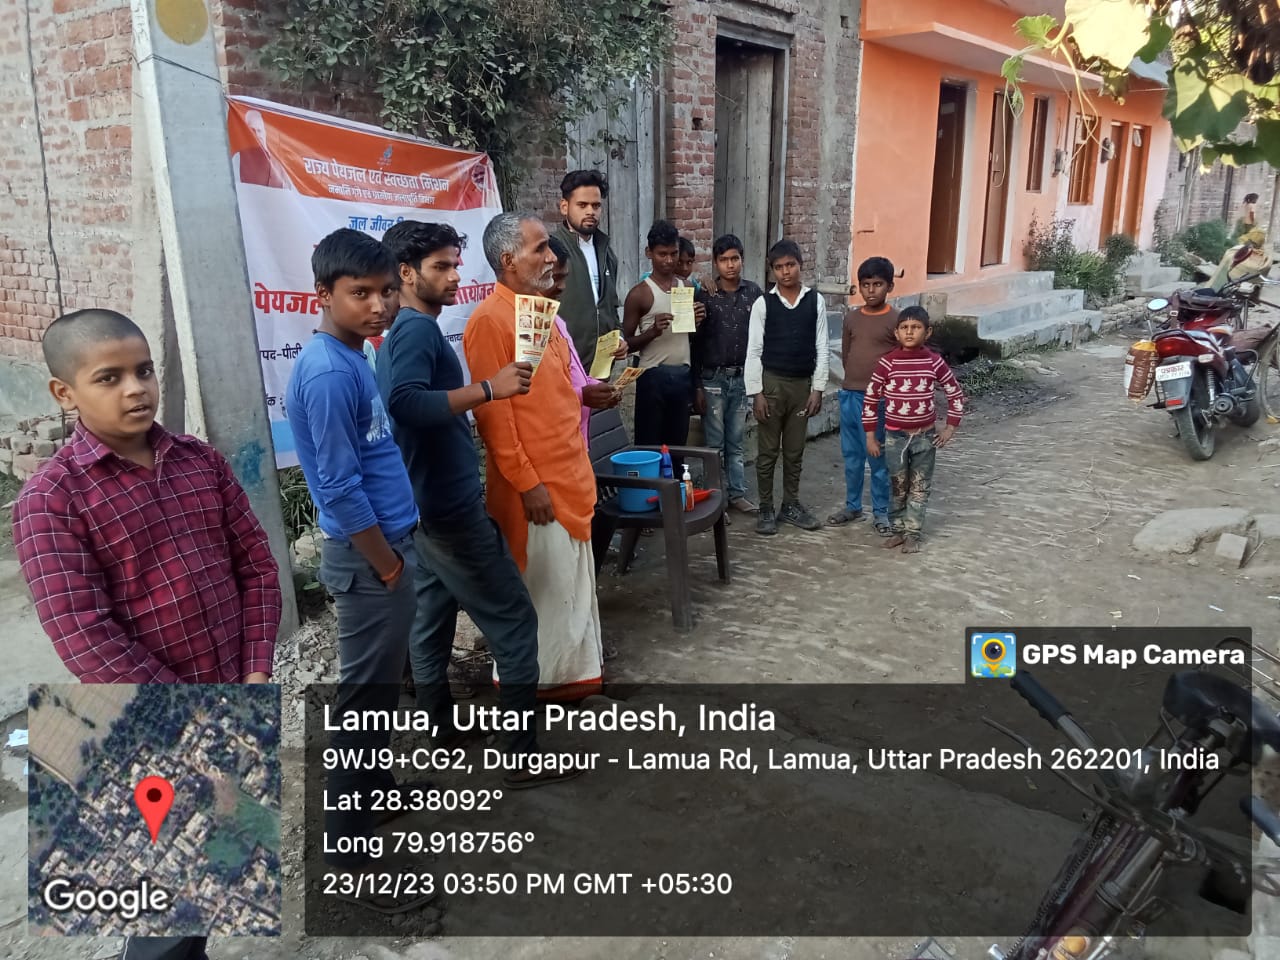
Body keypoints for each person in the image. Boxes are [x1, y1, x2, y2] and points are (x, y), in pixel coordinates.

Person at [13, 309, 282, 960]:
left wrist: (253, 674)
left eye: (143, 371)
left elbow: (256, 568)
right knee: (167, 892)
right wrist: (192, 727)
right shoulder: (52, 500)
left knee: (223, 860)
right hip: (152, 729)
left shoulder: (198, 462)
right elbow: (87, 639)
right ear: (65, 393)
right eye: (109, 378)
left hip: (233, 697)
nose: (135, 389)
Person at [284, 228, 434, 913]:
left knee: (377, 691)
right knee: (364, 703)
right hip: (371, 559)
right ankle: (349, 858)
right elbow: (339, 490)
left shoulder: (353, 353)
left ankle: (371, 793)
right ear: (323, 294)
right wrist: (389, 567)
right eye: (360, 294)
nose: (379, 306)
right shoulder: (326, 372)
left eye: (386, 292)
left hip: (387, 549)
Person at [464, 213, 604, 699]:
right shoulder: (489, 321)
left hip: (570, 474)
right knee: (544, 597)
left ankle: (576, 685)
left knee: (571, 594)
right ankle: (540, 696)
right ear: (508, 260)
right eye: (540, 248)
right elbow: (495, 418)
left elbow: (555, 395)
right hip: (538, 491)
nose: (550, 257)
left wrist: (587, 397)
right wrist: (528, 484)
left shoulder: (538, 312)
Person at [863, 306, 965, 554]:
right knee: (897, 485)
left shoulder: (934, 362)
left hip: (925, 437)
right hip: (894, 438)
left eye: (916, 327)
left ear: (927, 332)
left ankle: (913, 534)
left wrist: (950, 428)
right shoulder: (887, 363)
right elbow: (871, 399)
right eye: (904, 327)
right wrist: (870, 436)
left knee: (919, 486)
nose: (910, 332)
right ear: (897, 333)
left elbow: (955, 393)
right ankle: (898, 530)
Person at [745, 239, 829, 535]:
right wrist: (756, 393)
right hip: (772, 385)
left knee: (794, 451)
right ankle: (766, 508)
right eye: (779, 267)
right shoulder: (763, 304)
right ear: (772, 271)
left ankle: (790, 505)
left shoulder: (815, 301)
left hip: (801, 387)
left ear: (800, 265)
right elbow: (754, 351)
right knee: (768, 451)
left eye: (790, 265)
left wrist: (818, 388)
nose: (785, 272)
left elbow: (822, 347)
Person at [828, 256, 899, 534]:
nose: (871, 290)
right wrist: (853, 383)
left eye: (877, 284)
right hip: (850, 395)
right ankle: (853, 505)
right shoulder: (852, 318)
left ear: (889, 286)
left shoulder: (896, 320)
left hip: (879, 401)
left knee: (877, 457)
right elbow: (846, 354)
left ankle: (881, 512)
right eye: (866, 284)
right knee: (852, 455)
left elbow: (900, 360)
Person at [692, 234, 762, 517]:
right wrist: (697, 385)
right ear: (715, 263)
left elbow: (761, 339)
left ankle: (737, 494)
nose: (730, 265)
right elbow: (694, 342)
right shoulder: (705, 295)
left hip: (742, 379)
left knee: (736, 441)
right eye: (724, 260)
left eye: (735, 259)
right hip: (713, 380)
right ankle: (715, 501)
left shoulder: (754, 293)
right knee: (714, 443)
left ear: (742, 260)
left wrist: (757, 383)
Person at [623, 220, 705, 456]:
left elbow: (691, 337)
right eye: (662, 254)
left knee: (677, 447)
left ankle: (676, 481)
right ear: (649, 253)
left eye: (673, 253)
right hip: (652, 376)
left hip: (682, 376)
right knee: (649, 447)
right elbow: (625, 344)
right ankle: (650, 482)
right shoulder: (640, 294)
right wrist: (652, 332)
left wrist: (698, 320)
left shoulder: (686, 287)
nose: (669, 260)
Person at [548, 234, 623, 445]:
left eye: (565, 278)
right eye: (555, 278)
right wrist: (582, 395)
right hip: (556, 443)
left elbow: (611, 307)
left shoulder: (557, 322)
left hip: (577, 438)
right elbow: (536, 398)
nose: (562, 286)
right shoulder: (495, 320)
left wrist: (600, 388)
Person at [553, 170, 629, 375]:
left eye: (596, 206)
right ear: (564, 207)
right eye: (582, 205)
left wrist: (620, 337)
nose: (590, 212)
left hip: (600, 371)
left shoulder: (607, 253)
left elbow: (610, 307)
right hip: (563, 369)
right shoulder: (551, 251)